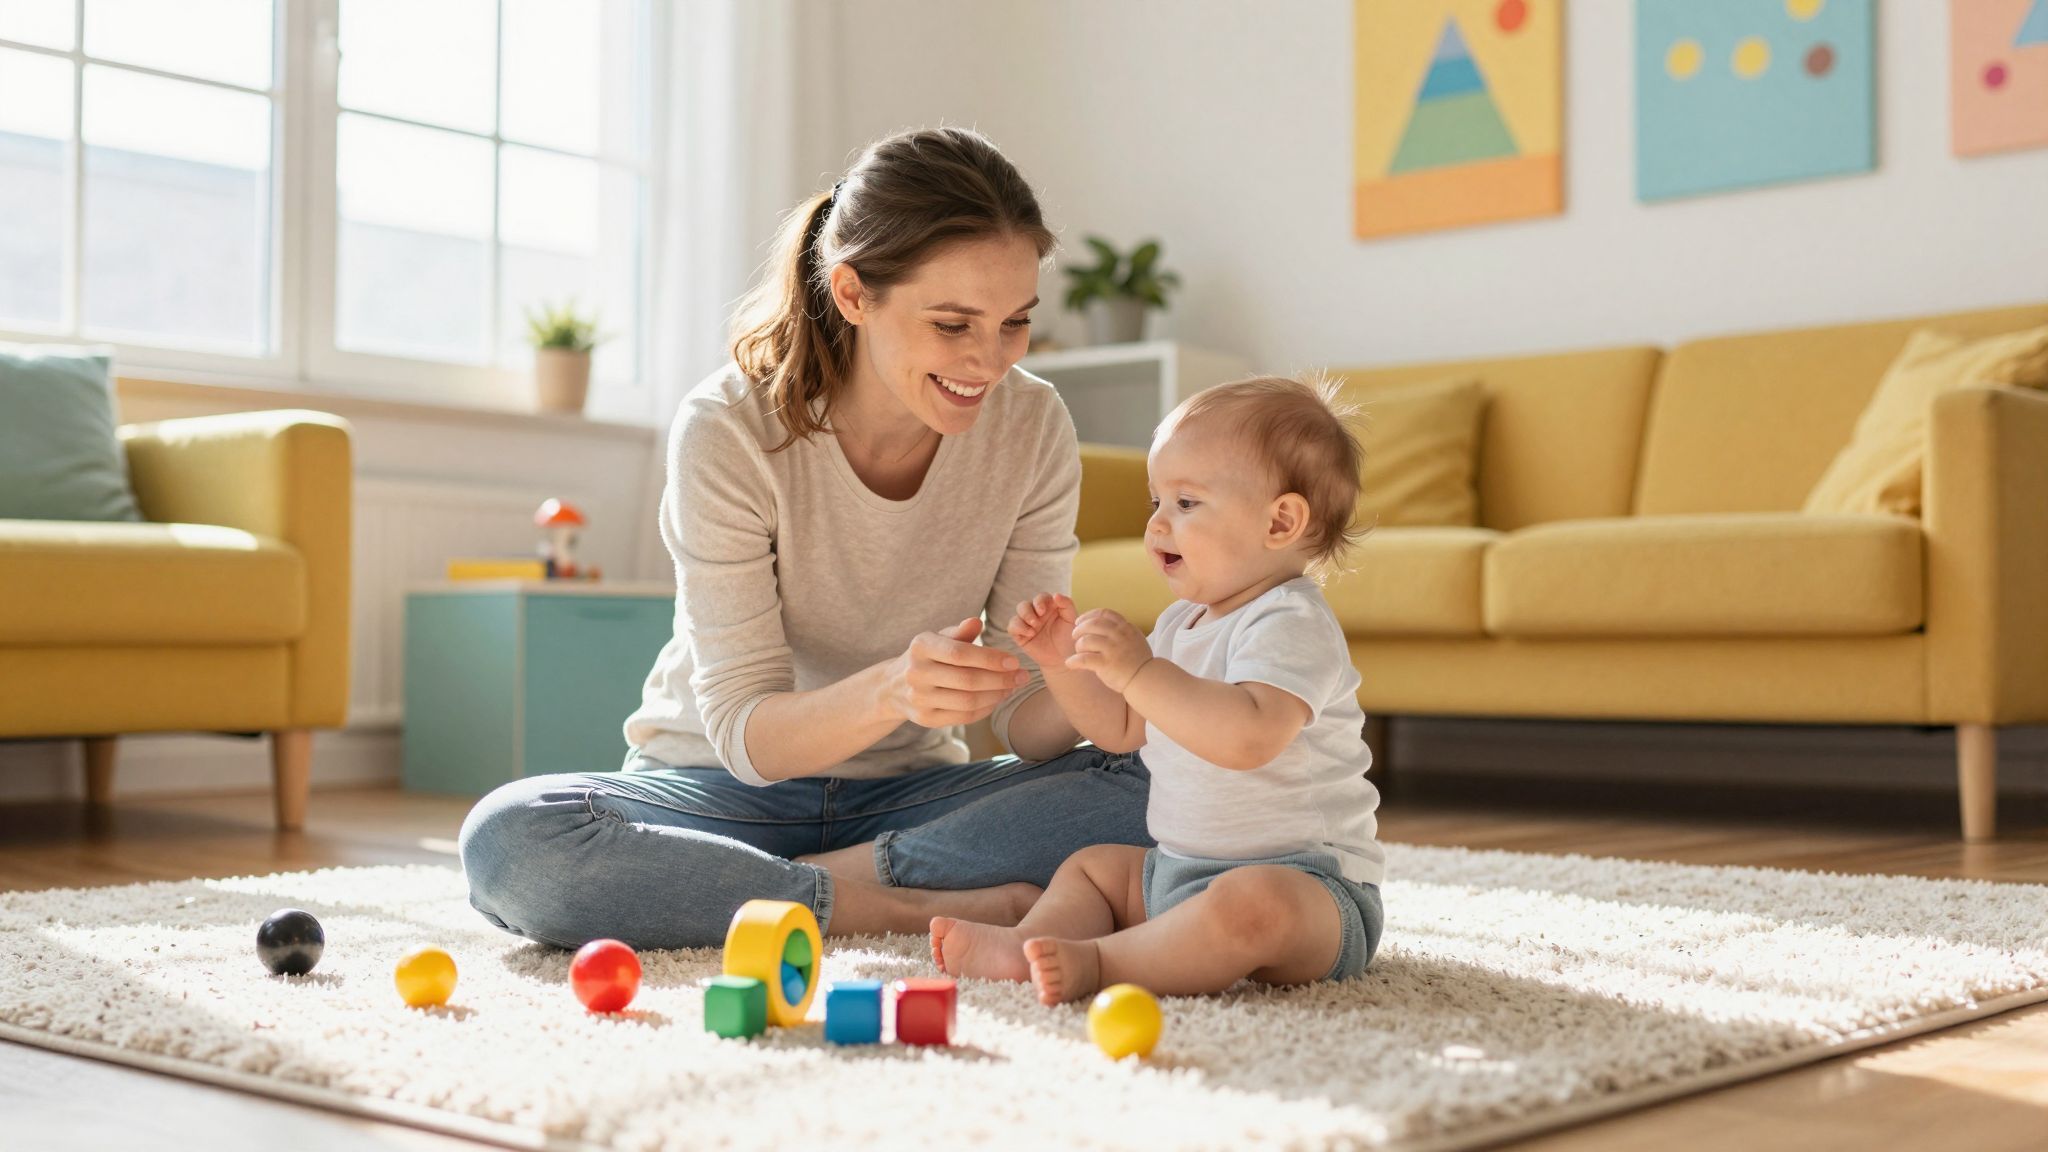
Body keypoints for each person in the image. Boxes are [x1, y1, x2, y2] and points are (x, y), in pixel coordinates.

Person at [457, 127, 1152, 950]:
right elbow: (750, 737)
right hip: (717, 795)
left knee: (1163, 779)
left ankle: (793, 887)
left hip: (907, 796)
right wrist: (895, 690)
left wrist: (1074, 678)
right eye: (954, 324)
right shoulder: (728, 428)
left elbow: (1021, 721)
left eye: (1014, 323)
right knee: (513, 841)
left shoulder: (1033, 425)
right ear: (854, 294)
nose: (990, 361)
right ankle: (886, 902)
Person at [929, 375, 1385, 1004]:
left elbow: (1249, 735)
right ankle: (1029, 943)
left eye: (1187, 504)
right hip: (1175, 870)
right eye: (1156, 503)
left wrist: (1141, 672)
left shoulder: (1291, 621)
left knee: (1252, 906)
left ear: (1281, 521)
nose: (1158, 526)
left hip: (1310, 888)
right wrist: (1062, 664)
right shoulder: (1180, 623)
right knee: (1091, 868)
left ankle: (1100, 965)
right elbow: (1121, 728)